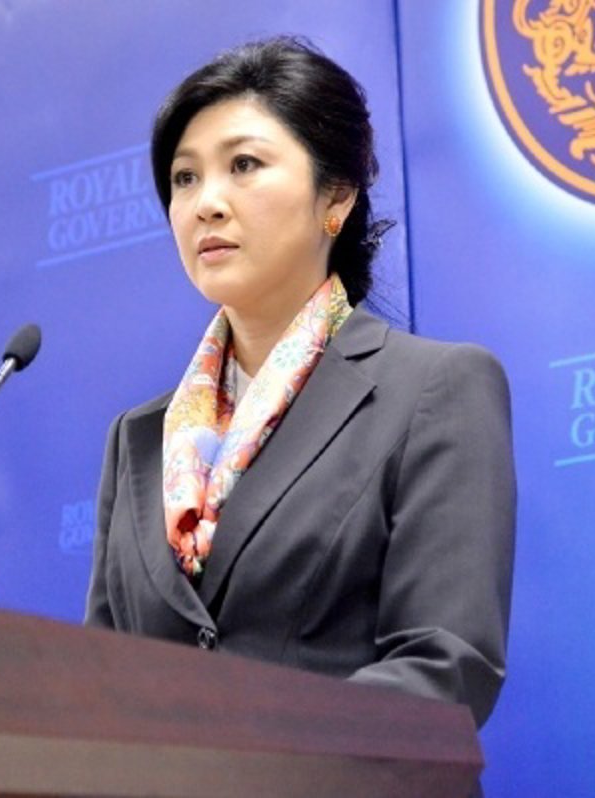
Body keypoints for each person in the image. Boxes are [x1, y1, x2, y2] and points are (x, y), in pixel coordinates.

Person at [84, 36, 515, 729]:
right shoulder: (139, 441)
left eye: (244, 165)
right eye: (185, 177)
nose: (206, 203)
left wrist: (235, 749)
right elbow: (101, 692)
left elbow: (446, 668)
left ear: (335, 195)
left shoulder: (434, 389)